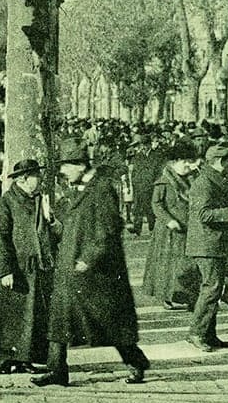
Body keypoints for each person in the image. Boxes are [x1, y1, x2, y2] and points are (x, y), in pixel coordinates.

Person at [35, 140, 149, 386]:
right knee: (60, 318)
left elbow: (108, 229)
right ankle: (57, 370)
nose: (63, 172)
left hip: (98, 271)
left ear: (79, 165)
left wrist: (88, 259)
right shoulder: (79, 189)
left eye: (65, 166)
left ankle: (136, 362)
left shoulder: (101, 188)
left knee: (110, 322)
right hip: (71, 266)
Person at [0, 159, 52, 375]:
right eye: (36, 176)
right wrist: (3, 270)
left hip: (33, 270)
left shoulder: (40, 201)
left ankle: (24, 359)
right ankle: (0, 362)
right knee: (6, 318)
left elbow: (50, 233)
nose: (40, 180)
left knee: (29, 318)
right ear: (23, 179)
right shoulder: (6, 203)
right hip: (13, 272)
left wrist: (52, 220)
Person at [184, 141, 228, 351]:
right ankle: (197, 333)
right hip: (206, 244)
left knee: (215, 288)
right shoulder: (204, 183)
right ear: (219, 161)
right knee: (211, 288)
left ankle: (209, 335)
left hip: (214, 242)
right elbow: (203, 214)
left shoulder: (215, 179)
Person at [141, 141, 198, 310]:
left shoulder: (192, 179)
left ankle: (188, 296)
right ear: (174, 162)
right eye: (184, 161)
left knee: (187, 264)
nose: (188, 165)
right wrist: (169, 220)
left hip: (187, 228)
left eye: (190, 161)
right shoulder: (164, 181)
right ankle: (167, 297)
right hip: (168, 231)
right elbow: (156, 204)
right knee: (168, 265)